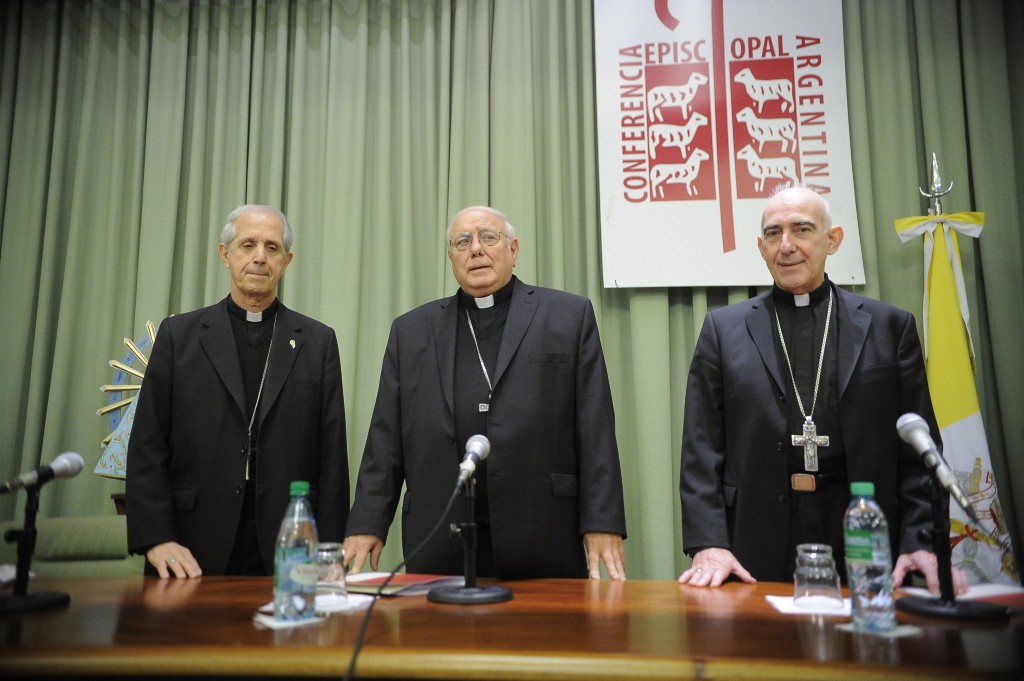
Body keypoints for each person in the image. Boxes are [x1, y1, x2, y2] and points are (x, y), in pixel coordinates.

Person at [677, 183, 968, 595]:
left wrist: (920, 539)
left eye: (802, 229)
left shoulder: (889, 328)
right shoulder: (723, 332)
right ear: (761, 247)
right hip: (754, 542)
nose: (787, 245)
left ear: (832, 240)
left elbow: (918, 452)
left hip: (864, 533)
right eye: (774, 234)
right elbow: (701, 451)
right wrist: (708, 544)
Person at [344, 206, 627, 580]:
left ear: (513, 249)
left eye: (488, 237)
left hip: (542, 531)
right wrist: (368, 521)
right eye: (462, 241)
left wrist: (602, 521)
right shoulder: (411, 331)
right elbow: (385, 439)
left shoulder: (567, 316)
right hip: (441, 539)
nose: (475, 249)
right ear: (451, 257)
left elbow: (595, 428)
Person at [126, 204, 349, 579]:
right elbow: (147, 446)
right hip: (190, 543)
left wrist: (329, 551)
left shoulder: (317, 342)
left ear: (287, 261)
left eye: (272, 248)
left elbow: (332, 458)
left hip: (289, 543)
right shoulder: (179, 337)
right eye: (248, 245)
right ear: (225, 254)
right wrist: (156, 537)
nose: (260, 257)